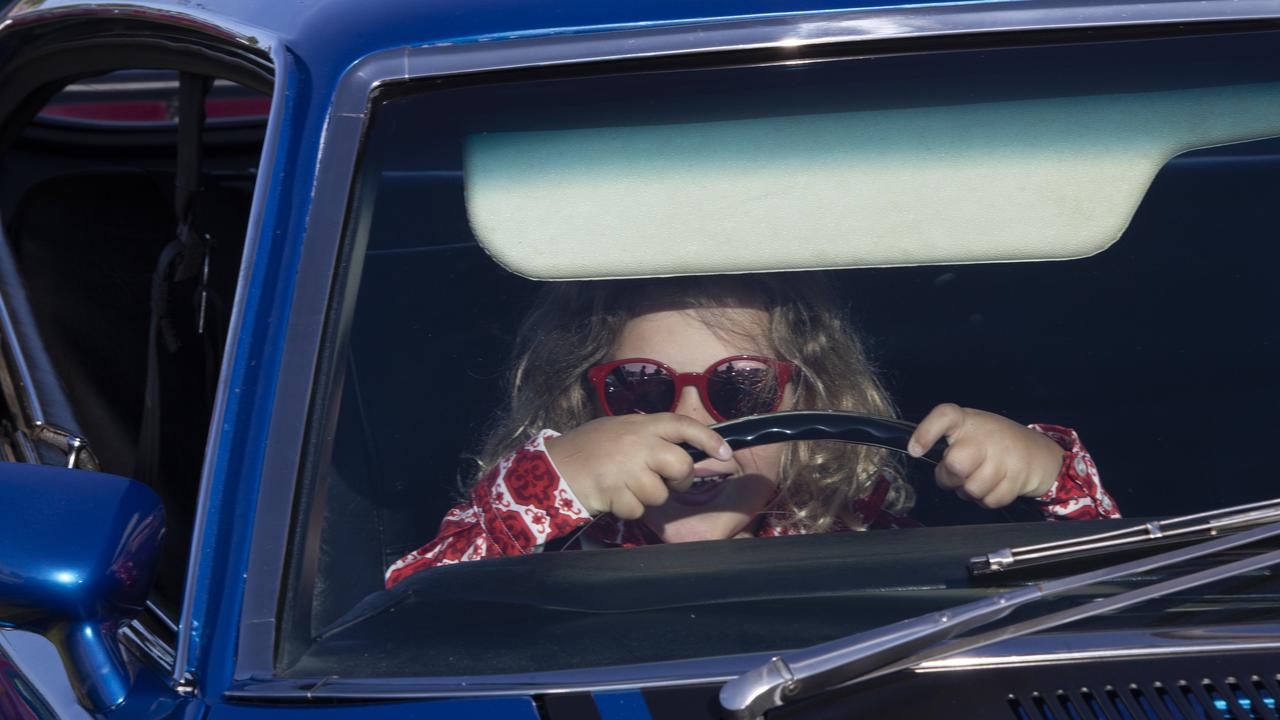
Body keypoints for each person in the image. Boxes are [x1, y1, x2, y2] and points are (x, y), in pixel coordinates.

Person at [385, 274, 1118, 588]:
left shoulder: (849, 533)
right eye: (642, 388)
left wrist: (1046, 475)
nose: (696, 423)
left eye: (742, 386)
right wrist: (558, 484)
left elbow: (1108, 594)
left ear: (809, 401)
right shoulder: (560, 537)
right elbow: (403, 622)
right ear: (587, 407)